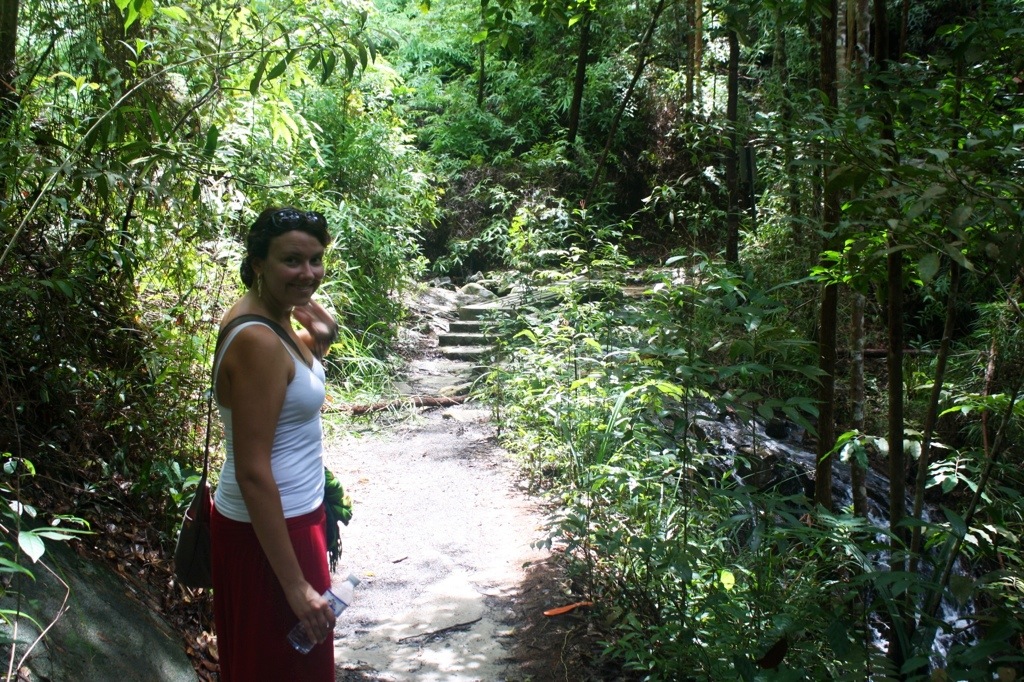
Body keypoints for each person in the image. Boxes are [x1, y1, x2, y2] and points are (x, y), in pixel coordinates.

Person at [210, 206, 340, 681]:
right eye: (292, 260)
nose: (308, 274)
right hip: (270, 532)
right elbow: (251, 468)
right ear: (258, 263)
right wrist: (294, 585)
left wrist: (321, 339)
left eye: (316, 259)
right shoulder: (259, 340)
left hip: (288, 520)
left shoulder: (270, 316)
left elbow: (286, 388)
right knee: (284, 667)